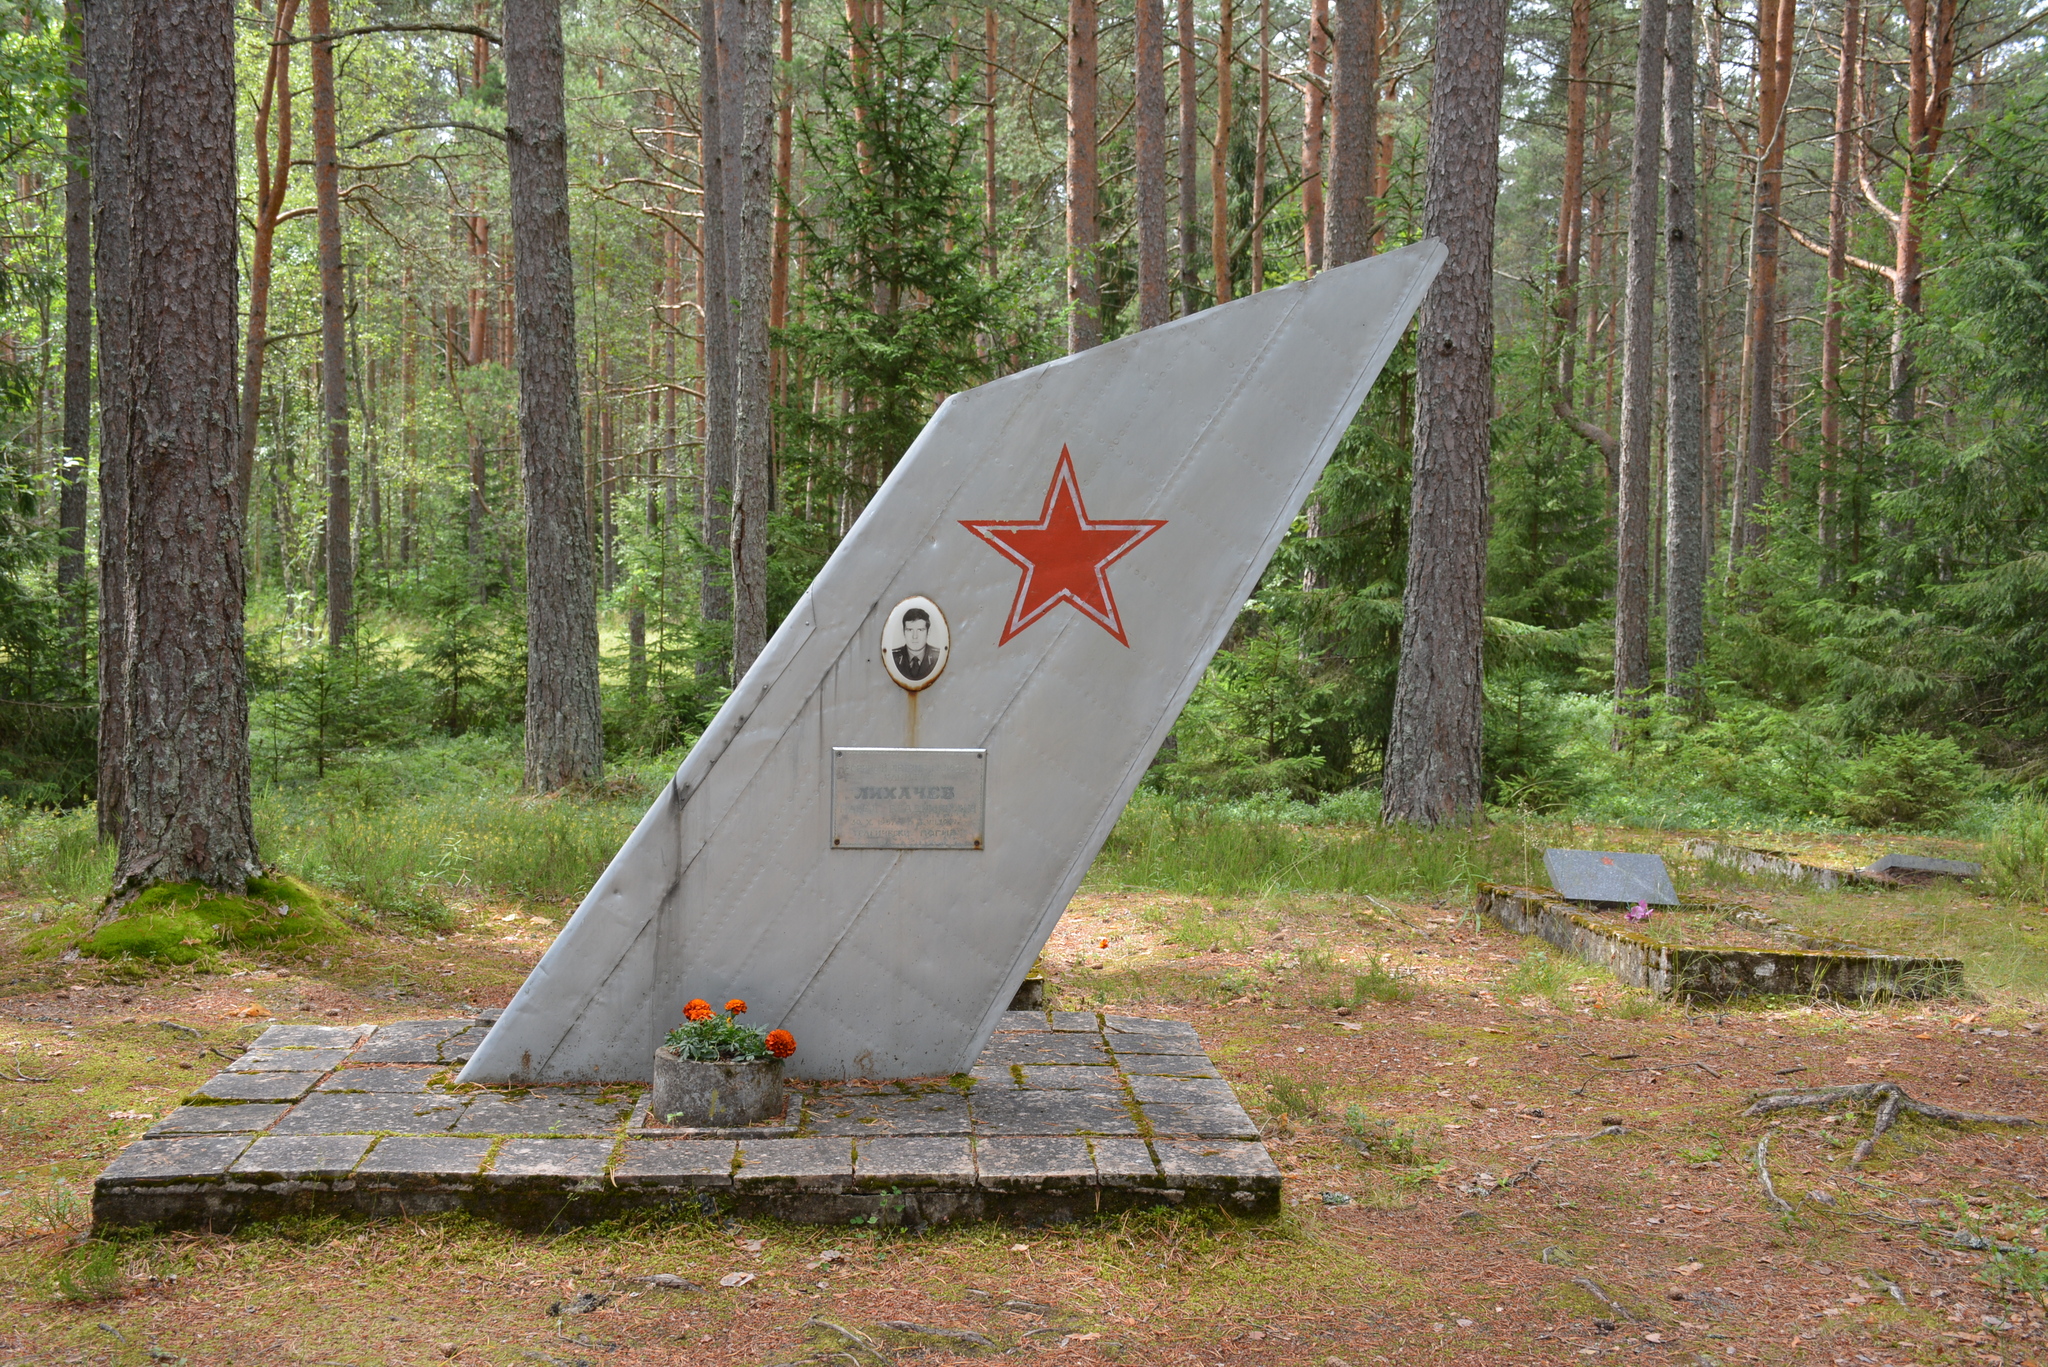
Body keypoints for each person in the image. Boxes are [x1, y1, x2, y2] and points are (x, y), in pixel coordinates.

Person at [892, 607, 940, 681]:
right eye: (910, 630)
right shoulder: (892, 657)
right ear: (903, 631)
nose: (915, 636)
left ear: (928, 632)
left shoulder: (939, 657)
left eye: (920, 630)